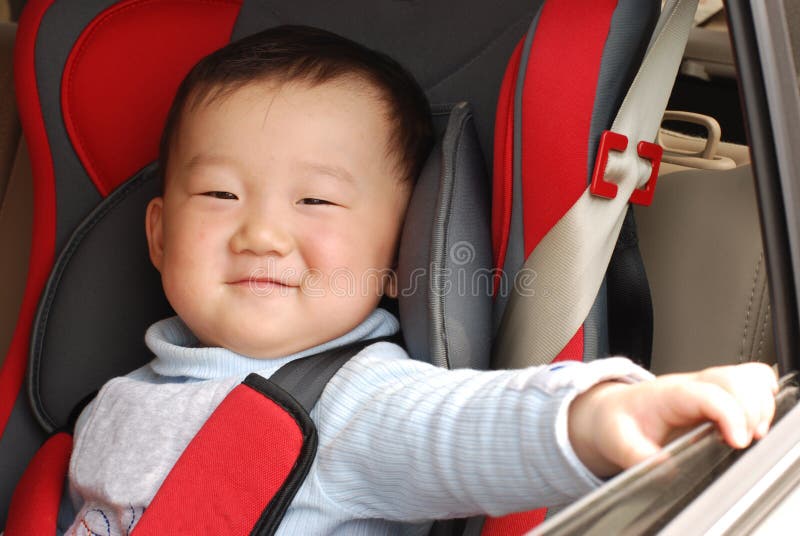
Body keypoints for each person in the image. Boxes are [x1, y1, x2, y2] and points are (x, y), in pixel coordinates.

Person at [64, 25, 778, 535]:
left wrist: (603, 415)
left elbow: (463, 426)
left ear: (397, 251)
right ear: (158, 234)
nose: (262, 234)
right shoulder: (124, 396)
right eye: (221, 195)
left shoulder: (354, 405)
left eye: (315, 201)